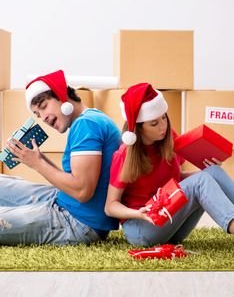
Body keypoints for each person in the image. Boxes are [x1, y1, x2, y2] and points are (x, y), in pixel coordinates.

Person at [0, 69, 121, 245]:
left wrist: (38, 165)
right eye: (38, 115)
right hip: (65, 201)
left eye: (43, 107)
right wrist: (39, 159)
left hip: (78, 223)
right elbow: (75, 183)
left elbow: (82, 191)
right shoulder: (90, 119)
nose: (43, 118)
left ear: (61, 95)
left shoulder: (87, 125)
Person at [105, 83, 234, 246]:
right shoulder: (124, 155)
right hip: (142, 229)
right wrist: (139, 213)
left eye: (164, 117)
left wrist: (207, 171)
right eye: (154, 123)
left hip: (171, 225)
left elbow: (175, 180)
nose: (163, 126)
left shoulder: (168, 138)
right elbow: (110, 206)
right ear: (139, 128)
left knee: (212, 172)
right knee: (201, 180)